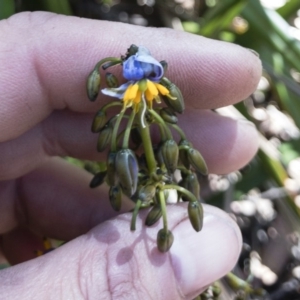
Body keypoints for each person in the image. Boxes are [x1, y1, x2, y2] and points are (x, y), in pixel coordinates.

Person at [0, 11, 261, 299]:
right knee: (127, 150)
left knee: (158, 150)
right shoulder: (138, 98)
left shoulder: (143, 99)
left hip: (137, 94)